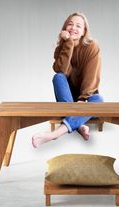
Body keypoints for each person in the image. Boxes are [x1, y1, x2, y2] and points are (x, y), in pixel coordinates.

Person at [32, 12, 103, 148]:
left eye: (78, 26)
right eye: (70, 24)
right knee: (58, 77)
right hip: (67, 100)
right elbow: (61, 70)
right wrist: (68, 43)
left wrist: (82, 99)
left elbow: (92, 75)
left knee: (99, 100)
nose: (73, 28)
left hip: (86, 98)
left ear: (84, 32)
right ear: (65, 28)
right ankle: (79, 124)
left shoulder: (92, 46)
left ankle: (54, 135)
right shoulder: (63, 46)